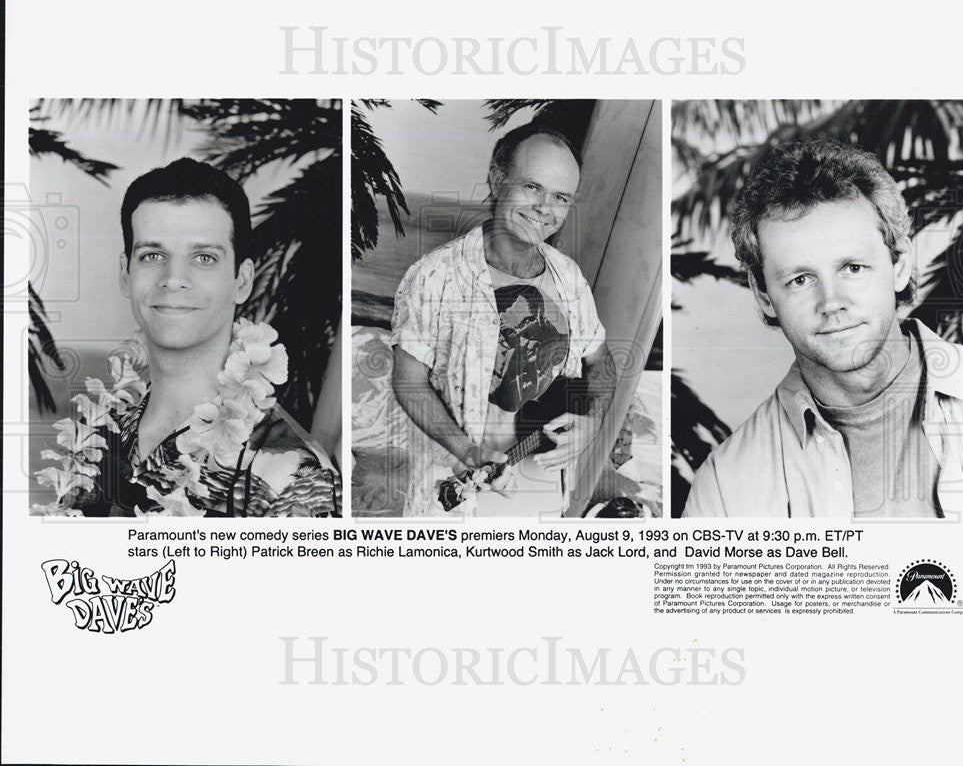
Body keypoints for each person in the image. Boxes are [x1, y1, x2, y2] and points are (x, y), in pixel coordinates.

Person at [683, 139, 963, 518]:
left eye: (852, 268)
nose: (831, 303)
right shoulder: (725, 490)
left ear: (900, 263)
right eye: (801, 280)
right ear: (764, 295)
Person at [34, 158, 341, 517]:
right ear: (125, 274)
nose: (174, 278)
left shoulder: (296, 478)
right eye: (152, 255)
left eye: (204, 258)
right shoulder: (99, 438)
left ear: (242, 280)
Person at [391, 122, 616, 516]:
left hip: (546, 498)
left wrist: (592, 423)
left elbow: (602, 363)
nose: (545, 208)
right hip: (459, 501)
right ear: (497, 180)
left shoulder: (569, 279)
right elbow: (408, 381)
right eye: (532, 187)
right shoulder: (435, 275)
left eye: (561, 196)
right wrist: (468, 450)